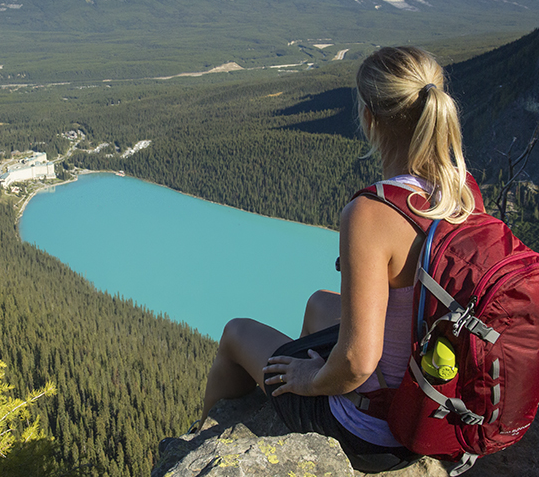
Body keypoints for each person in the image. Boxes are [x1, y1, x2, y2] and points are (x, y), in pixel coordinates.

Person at [195, 46, 476, 473]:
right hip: (436, 399)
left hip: (376, 429)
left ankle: (200, 439)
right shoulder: (462, 191)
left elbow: (358, 361)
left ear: (369, 118)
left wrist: (310, 380)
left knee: (236, 333)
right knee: (318, 303)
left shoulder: (372, 213)